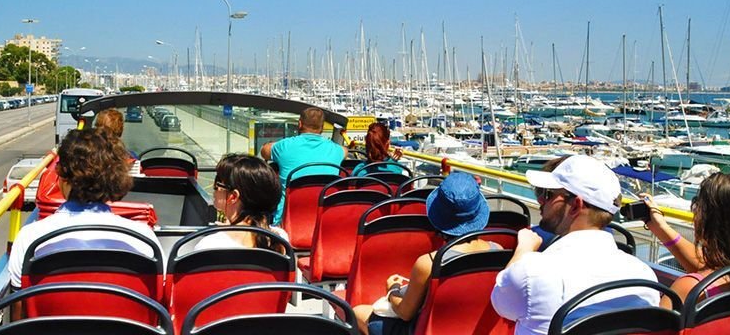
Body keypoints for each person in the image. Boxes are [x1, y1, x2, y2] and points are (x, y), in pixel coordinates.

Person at [491, 155, 659, 335]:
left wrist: (523, 251)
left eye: (548, 194)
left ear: (576, 205)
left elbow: (501, 305)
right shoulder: (645, 276)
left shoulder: (532, 272)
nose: (540, 200)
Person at [8, 128, 161, 290]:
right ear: (115, 178)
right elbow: (157, 297)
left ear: (62, 175)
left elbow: (20, 301)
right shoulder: (144, 239)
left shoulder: (30, 238)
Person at [354, 172, 500, 335]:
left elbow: (405, 313)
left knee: (358, 313)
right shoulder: (498, 252)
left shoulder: (429, 263)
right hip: (475, 330)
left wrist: (392, 290)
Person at [643, 172, 730, 308]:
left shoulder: (691, 290)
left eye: (697, 204)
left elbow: (707, 274)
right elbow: (708, 267)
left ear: (707, 220)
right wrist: (660, 228)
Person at [260, 107, 348, 224]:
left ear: (300, 124)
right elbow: (345, 151)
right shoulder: (336, 150)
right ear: (322, 127)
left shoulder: (285, 146)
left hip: (286, 221)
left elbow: (264, 152)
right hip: (324, 221)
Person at [195, 154, 288, 251]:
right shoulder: (280, 240)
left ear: (233, 196)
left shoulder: (209, 245)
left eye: (217, 183)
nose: (214, 188)